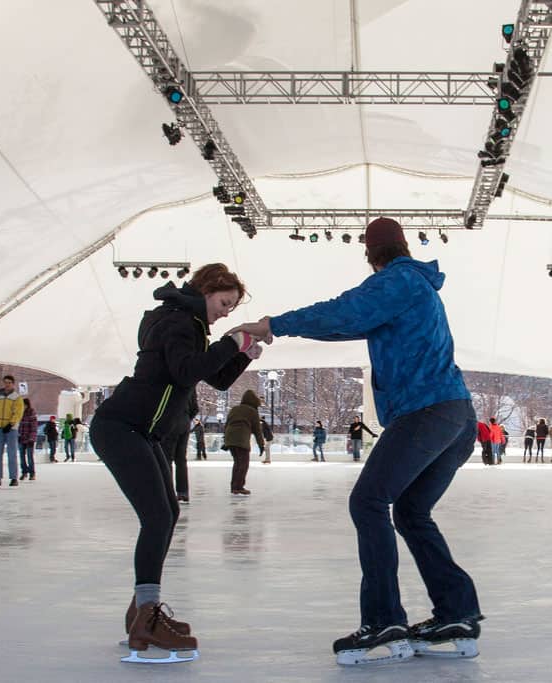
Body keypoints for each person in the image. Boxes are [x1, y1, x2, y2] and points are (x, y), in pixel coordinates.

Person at [231, 217, 483, 665]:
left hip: (427, 410)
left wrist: (273, 323)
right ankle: (457, 612)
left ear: (372, 254)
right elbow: (343, 324)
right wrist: (285, 328)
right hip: (454, 415)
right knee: (410, 511)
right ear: (403, 245)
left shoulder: (399, 280)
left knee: (368, 502)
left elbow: (344, 310)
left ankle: (384, 620)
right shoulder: (413, 287)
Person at [90, 263, 259, 663]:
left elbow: (211, 379)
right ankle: (147, 617)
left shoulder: (191, 326)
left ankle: (140, 611)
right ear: (206, 290)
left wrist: (244, 354)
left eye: (232, 308)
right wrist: (234, 343)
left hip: (142, 432)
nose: (225, 312)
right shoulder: (178, 320)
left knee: (167, 511)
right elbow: (187, 370)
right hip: (121, 427)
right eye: (224, 302)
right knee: (157, 517)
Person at [222, 390, 264, 495]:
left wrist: (226, 440)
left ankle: (234, 486)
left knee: (237, 463)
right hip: (241, 439)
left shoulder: (234, 409)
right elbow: (257, 430)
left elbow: (227, 425)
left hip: (230, 438)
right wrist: (261, 445)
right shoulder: (252, 411)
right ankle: (238, 487)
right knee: (243, 464)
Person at [162, 391, 197, 504]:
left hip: (170, 422)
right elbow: (195, 408)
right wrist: (186, 417)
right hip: (185, 422)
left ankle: (168, 492)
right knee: (181, 459)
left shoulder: (167, 381)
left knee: (167, 459)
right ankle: (183, 492)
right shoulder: (190, 383)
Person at [0, 375, 24, 487]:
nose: (7, 384)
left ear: (13, 384)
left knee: (12, 453)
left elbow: (18, 412)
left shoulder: (16, 397)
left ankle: (14, 477)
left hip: (11, 428)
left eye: (9, 382)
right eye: (5, 382)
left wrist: (11, 423)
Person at [18, 398, 38, 481]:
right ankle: (24, 472)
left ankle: (32, 473)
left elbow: (34, 427)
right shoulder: (19, 413)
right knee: (22, 457)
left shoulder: (31, 413)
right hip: (21, 438)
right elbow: (18, 426)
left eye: (24, 405)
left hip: (29, 439)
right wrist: (18, 435)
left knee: (30, 456)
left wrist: (31, 438)